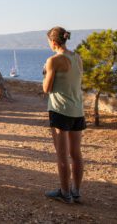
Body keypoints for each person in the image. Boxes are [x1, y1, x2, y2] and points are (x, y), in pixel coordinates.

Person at [43, 27, 85, 204]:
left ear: (53, 42)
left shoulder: (53, 60)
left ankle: (65, 192)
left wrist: (45, 71)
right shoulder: (77, 57)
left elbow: (46, 88)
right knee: (76, 153)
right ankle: (76, 191)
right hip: (77, 110)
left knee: (62, 155)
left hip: (60, 110)